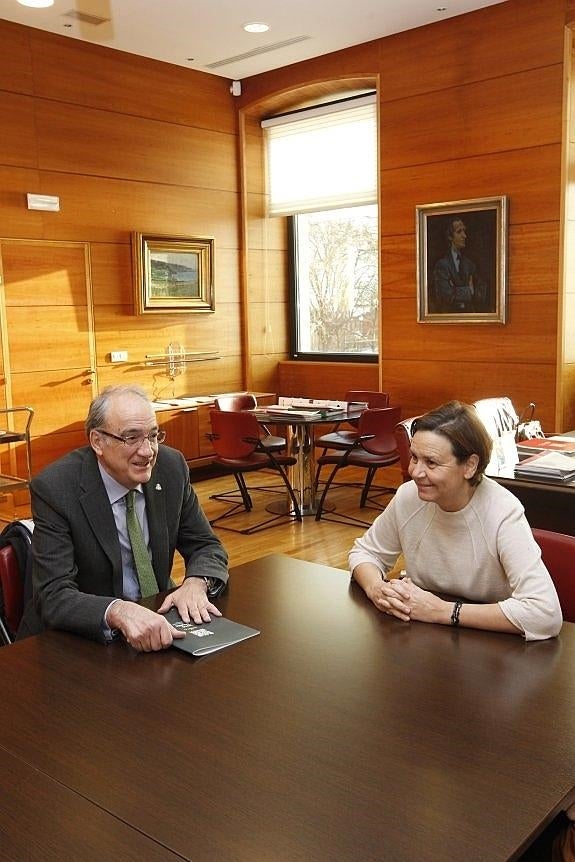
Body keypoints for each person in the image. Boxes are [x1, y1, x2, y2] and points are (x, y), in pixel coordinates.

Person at [18, 384, 229, 652]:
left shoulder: (171, 467)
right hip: (79, 641)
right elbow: (53, 595)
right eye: (131, 438)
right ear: (97, 442)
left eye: (153, 435)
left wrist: (196, 583)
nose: (148, 451)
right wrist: (117, 611)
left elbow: (205, 545)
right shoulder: (57, 489)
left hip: (156, 621)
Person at [349, 401, 562, 640]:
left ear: (470, 466)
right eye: (414, 458)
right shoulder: (408, 496)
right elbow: (365, 553)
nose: (416, 472)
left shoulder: (503, 511)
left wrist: (442, 611)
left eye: (431, 462)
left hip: (492, 646)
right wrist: (376, 589)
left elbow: (545, 614)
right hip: (424, 635)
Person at [431, 217, 488, 312]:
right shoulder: (442, 265)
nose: (464, 236)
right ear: (450, 237)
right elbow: (446, 295)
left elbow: (482, 290)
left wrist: (455, 289)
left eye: (464, 231)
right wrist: (470, 290)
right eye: (459, 232)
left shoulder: (470, 264)